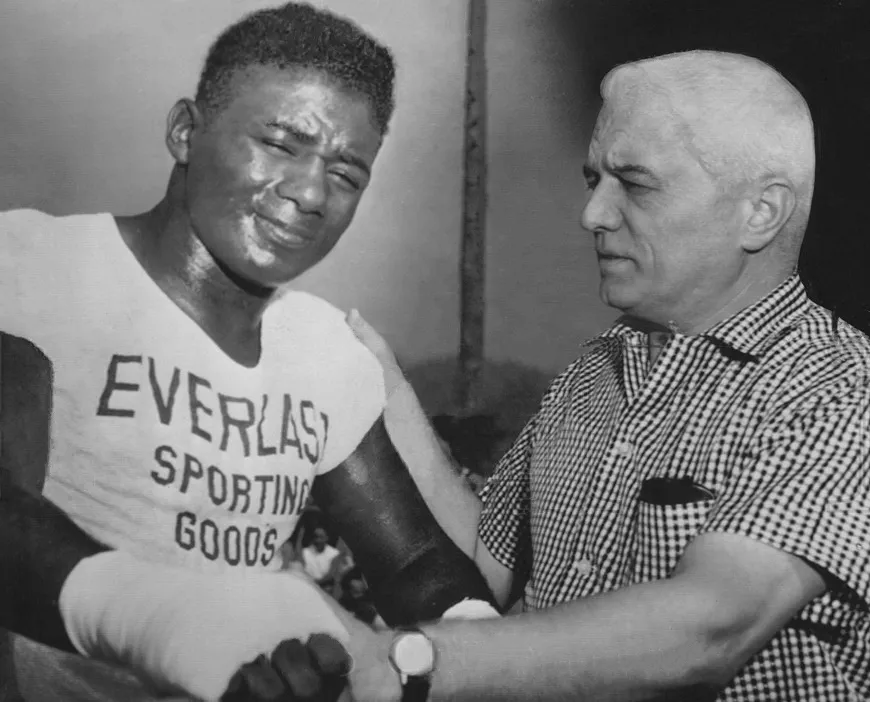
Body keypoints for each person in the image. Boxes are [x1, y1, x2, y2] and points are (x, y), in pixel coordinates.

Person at [293, 50, 869, 701]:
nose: (592, 214)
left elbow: (711, 627)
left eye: (637, 183)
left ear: (760, 212)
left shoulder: (840, 390)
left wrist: (413, 662)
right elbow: (485, 571)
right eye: (593, 178)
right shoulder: (592, 373)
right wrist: (386, 387)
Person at [0, 4, 498, 701]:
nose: (310, 192)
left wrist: (471, 642)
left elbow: (414, 561)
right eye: (281, 143)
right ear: (184, 131)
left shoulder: (322, 350)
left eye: (347, 173)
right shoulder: (36, 265)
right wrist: (161, 620)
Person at [301, 526, 342, 594]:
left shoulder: (334, 554)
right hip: (306, 588)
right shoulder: (305, 552)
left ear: (327, 538)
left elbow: (330, 575)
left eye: (321, 537)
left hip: (325, 589)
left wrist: (314, 584)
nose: (318, 540)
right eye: (316, 537)